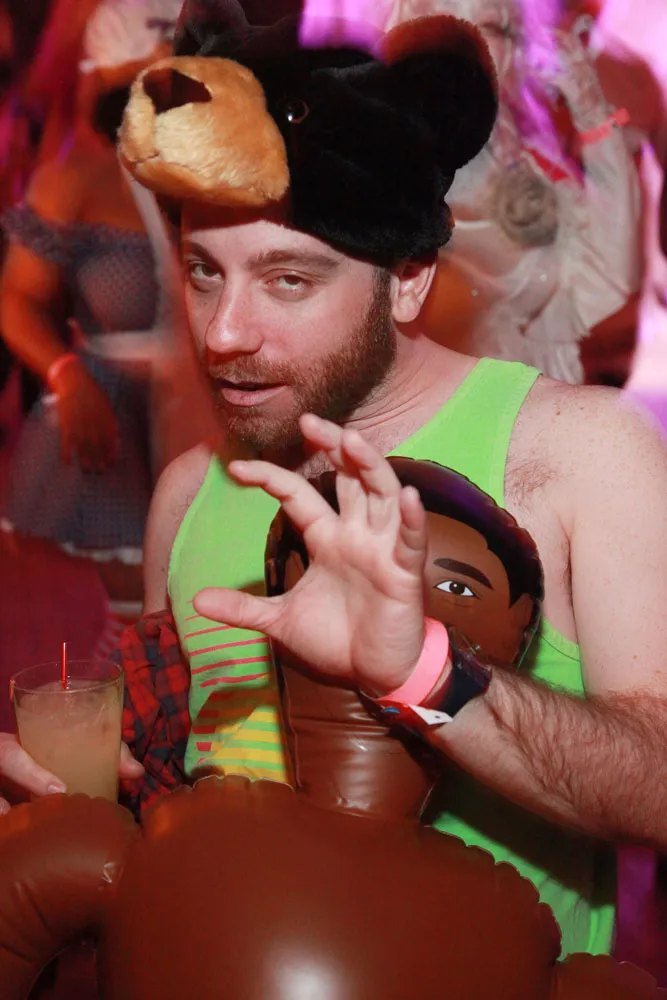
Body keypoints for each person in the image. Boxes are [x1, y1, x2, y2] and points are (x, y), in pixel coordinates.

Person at [2, 0, 667, 961]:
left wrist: (424, 677)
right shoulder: (187, 493)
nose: (224, 332)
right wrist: (90, 802)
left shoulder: (579, 454)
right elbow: (189, 771)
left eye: (288, 280)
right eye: (202, 272)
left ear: (407, 278)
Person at [385, 0, 641, 384]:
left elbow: (609, 281)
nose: (473, 43)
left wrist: (592, 113)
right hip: (474, 406)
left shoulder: (523, 152)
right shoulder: (405, 166)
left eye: (501, 29)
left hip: (545, 398)